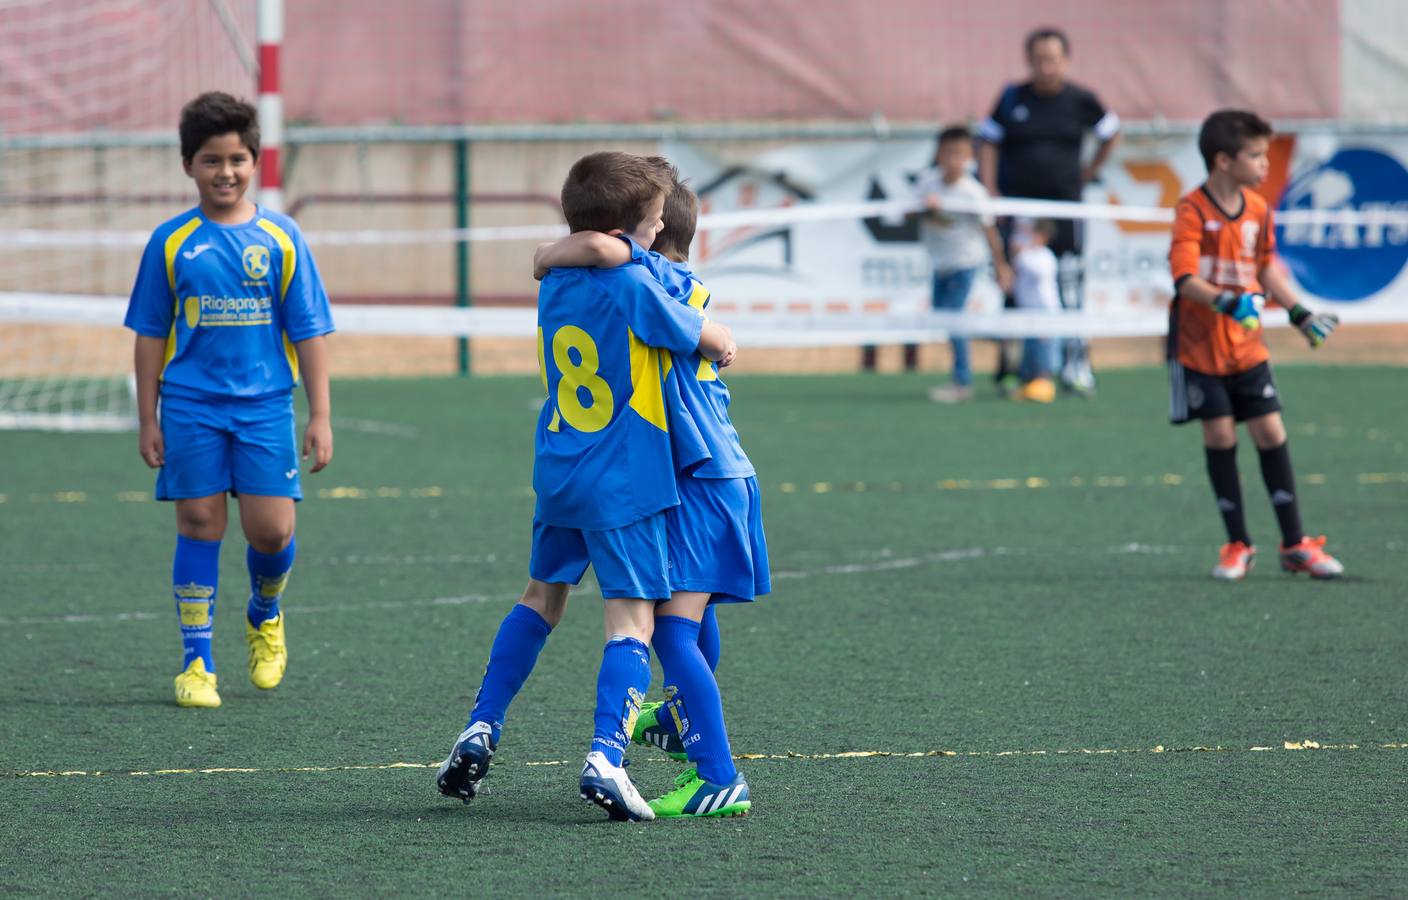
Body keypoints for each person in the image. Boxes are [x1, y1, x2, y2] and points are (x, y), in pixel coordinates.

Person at [435, 152, 736, 822]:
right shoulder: (635, 285)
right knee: (631, 619)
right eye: (656, 223)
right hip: (622, 479)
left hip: (559, 468)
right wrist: (722, 338)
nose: (661, 233)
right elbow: (704, 331)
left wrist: (557, 247)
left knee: (541, 597)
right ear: (629, 232)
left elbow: (575, 248)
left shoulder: (556, 281)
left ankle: (481, 725)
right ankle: (606, 755)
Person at [534, 173, 768, 819]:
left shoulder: (657, 285)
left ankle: (718, 776)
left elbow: (607, 253)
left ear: (657, 235)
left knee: (670, 630)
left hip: (704, 479)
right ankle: (679, 720)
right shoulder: (676, 288)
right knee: (690, 620)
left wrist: (550, 254)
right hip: (709, 476)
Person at [123, 92, 334, 709]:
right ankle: (197, 662)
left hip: (266, 407)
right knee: (198, 523)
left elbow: (309, 330)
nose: (226, 173)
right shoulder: (171, 243)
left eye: (238, 159)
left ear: (254, 162)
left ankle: (265, 613)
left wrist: (319, 414)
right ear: (189, 165)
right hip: (190, 407)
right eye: (211, 160)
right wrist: (147, 418)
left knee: (271, 532)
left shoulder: (281, 237)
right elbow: (149, 335)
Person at [1168, 109, 1344, 582]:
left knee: (1270, 432)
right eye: (1257, 155)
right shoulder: (1191, 210)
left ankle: (1295, 544)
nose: (1266, 164)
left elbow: (1265, 269)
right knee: (1220, 435)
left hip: (1248, 349)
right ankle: (1238, 544)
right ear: (1224, 160)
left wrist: (1299, 314)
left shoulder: (1260, 210)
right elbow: (1185, 280)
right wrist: (1229, 303)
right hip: (1200, 348)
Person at [977, 26, 1121, 395]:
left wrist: (1089, 172)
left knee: (1068, 284)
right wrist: (991, 190)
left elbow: (1110, 132)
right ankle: (1012, 367)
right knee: (1014, 285)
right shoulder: (1012, 98)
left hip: (1065, 210)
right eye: (1039, 59)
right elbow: (989, 141)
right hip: (1019, 210)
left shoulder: (1081, 100)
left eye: (1053, 59)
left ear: (1065, 61)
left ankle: (1074, 367)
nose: (1046, 67)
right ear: (1029, 61)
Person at [914, 126, 1012, 403]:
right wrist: (926, 208)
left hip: (966, 263)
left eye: (959, 154)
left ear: (970, 157)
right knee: (944, 318)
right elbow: (907, 214)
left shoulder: (973, 193)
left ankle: (962, 381)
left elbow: (990, 231)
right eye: (947, 154)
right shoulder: (927, 183)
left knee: (954, 320)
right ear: (938, 155)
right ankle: (1001, 339)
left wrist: (1001, 266)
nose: (953, 161)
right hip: (939, 263)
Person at [1010, 218, 1061, 403]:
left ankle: (1044, 384)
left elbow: (1037, 272)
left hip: (1044, 311)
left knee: (1044, 349)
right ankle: (1029, 384)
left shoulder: (1044, 255)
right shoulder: (1029, 254)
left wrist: (1021, 253)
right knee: (1030, 350)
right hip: (1029, 312)